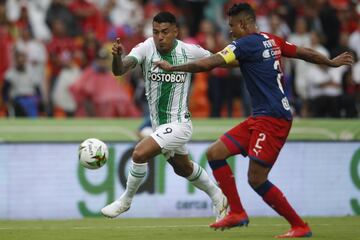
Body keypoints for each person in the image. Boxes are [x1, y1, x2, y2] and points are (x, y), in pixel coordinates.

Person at [155, 3, 354, 238]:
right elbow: (303, 52)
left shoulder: (243, 44)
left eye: (232, 26)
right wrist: (330, 62)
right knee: (215, 153)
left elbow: (210, 64)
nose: (230, 31)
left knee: (256, 179)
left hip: (273, 119)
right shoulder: (272, 39)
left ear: (243, 24)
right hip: (261, 116)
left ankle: (299, 225)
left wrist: (174, 67)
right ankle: (237, 212)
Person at [101, 12, 229, 221]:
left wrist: (247, 59)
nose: (159, 37)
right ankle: (218, 196)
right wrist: (116, 57)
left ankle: (125, 201)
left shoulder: (189, 51)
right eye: (155, 32)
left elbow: (219, 60)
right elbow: (120, 70)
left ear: (175, 32)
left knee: (140, 153)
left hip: (180, 124)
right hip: (159, 125)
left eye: (165, 32)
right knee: (183, 167)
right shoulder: (145, 48)